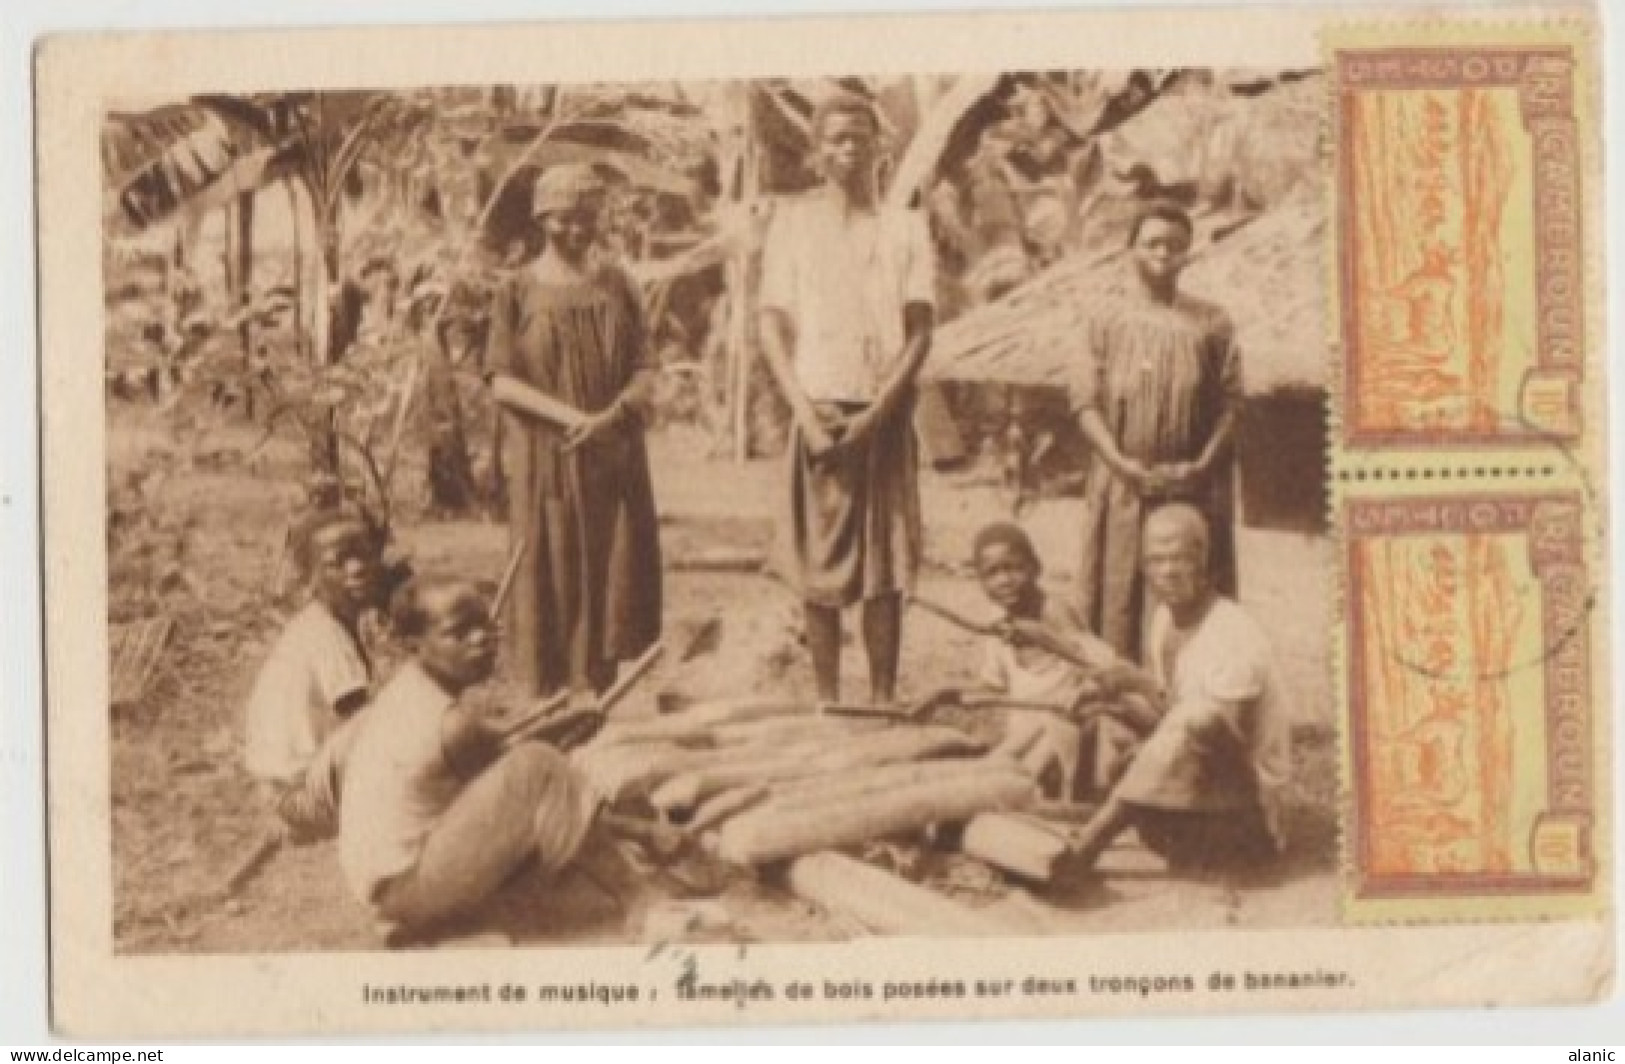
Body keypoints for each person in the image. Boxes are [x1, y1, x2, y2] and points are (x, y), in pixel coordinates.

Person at [757, 91, 937, 705]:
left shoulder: (905, 226)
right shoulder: (793, 223)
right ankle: (829, 699)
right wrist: (804, 414)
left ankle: (883, 697)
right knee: (819, 568)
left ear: (879, 147)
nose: (850, 148)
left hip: (881, 416)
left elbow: (919, 332)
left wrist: (881, 411)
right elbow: (771, 326)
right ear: (816, 151)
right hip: (818, 416)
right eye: (836, 138)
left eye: (860, 136)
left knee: (883, 569)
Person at [338, 578, 601, 943]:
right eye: (459, 632)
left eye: (485, 625)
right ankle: (624, 891)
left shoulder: (411, 690)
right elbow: (507, 770)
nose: (481, 639)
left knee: (537, 765)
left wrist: (558, 728)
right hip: (408, 889)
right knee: (539, 766)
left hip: (382, 885)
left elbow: (491, 750)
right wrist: (559, 742)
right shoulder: (455, 724)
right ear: (415, 645)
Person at [486, 163, 662, 699]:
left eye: (587, 217)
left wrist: (613, 417)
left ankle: (600, 703)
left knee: (611, 574)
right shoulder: (515, 290)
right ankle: (549, 704)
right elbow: (501, 382)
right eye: (565, 219)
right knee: (549, 571)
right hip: (547, 459)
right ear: (543, 219)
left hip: (613, 457)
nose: (578, 230)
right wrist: (572, 419)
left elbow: (646, 367)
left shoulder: (618, 285)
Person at [1066, 504, 1291, 874]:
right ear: (1143, 566)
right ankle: (1142, 827)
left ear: (1203, 562)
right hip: (1199, 802)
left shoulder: (1234, 634)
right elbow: (1167, 722)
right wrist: (1111, 703)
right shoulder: (1164, 620)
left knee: (1197, 715)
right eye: (1156, 560)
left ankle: (1091, 841)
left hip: (1250, 815)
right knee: (1117, 724)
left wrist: (1138, 682)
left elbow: (1214, 737)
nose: (1167, 571)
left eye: (1180, 558)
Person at [1071, 201, 1242, 662]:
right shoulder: (1103, 319)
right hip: (1122, 484)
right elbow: (1085, 403)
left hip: (1189, 485)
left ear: (1187, 253)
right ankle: (1118, 702)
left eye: (1174, 244)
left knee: (1186, 589)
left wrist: (1201, 466)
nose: (1163, 253)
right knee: (1119, 589)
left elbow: (1230, 405)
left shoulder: (1212, 323)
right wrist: (1121, 463)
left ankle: (1188, 697)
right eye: (1152, 243)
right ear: (1131, 251)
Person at [933, 522, 1157, 801]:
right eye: (992, 573)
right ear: (980, 581)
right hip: (1026, 739)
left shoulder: (1054, 612)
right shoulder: (998, 627)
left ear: (1035, 568)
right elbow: (990, 689)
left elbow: (1100, 664)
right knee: (992, 770)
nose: (1004, 580)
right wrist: (948, 697)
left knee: (1011, 776)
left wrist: (1048, 641)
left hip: (1069, 738)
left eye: (1013, 568)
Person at [243, 511, 380, 841]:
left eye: (363, 554)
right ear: (310, 578)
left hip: (288, 786)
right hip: (301, 796)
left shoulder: (323, 623)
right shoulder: (325, 635)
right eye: (339, 562)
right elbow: (363, 723)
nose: (357, 568)